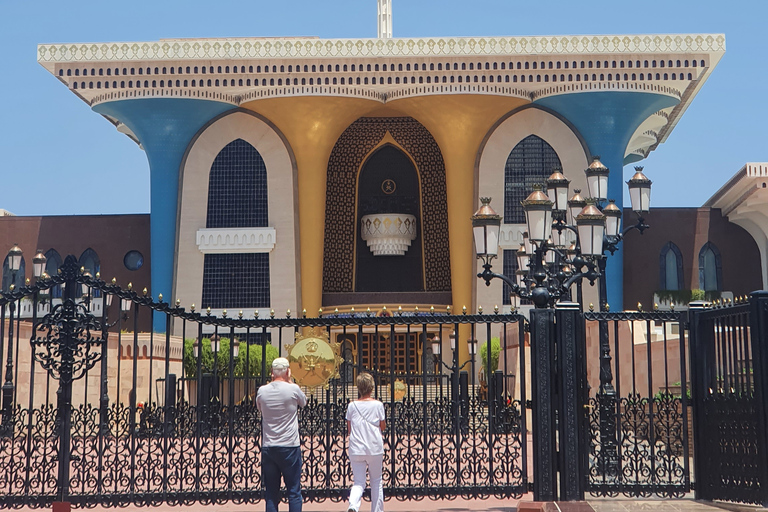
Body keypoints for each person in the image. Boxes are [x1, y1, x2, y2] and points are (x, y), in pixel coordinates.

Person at [256, 357, 307, 512]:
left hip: (269, 446)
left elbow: (259, 408)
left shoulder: (262, 391)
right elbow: (303, 402)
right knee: (294, 492)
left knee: (271, 493)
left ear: (272, 372)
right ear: (287, 371)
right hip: (289, 446)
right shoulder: (293, 389)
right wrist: (290, 381)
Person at [346, 372, 386, 512]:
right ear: (372, 387)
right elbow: (382, 426)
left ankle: (353, 506)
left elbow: (349, 428)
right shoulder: (378, 405)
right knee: (376, 481)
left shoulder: (352, 406)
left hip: (357, 447)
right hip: (374, 447)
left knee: (358, 481)